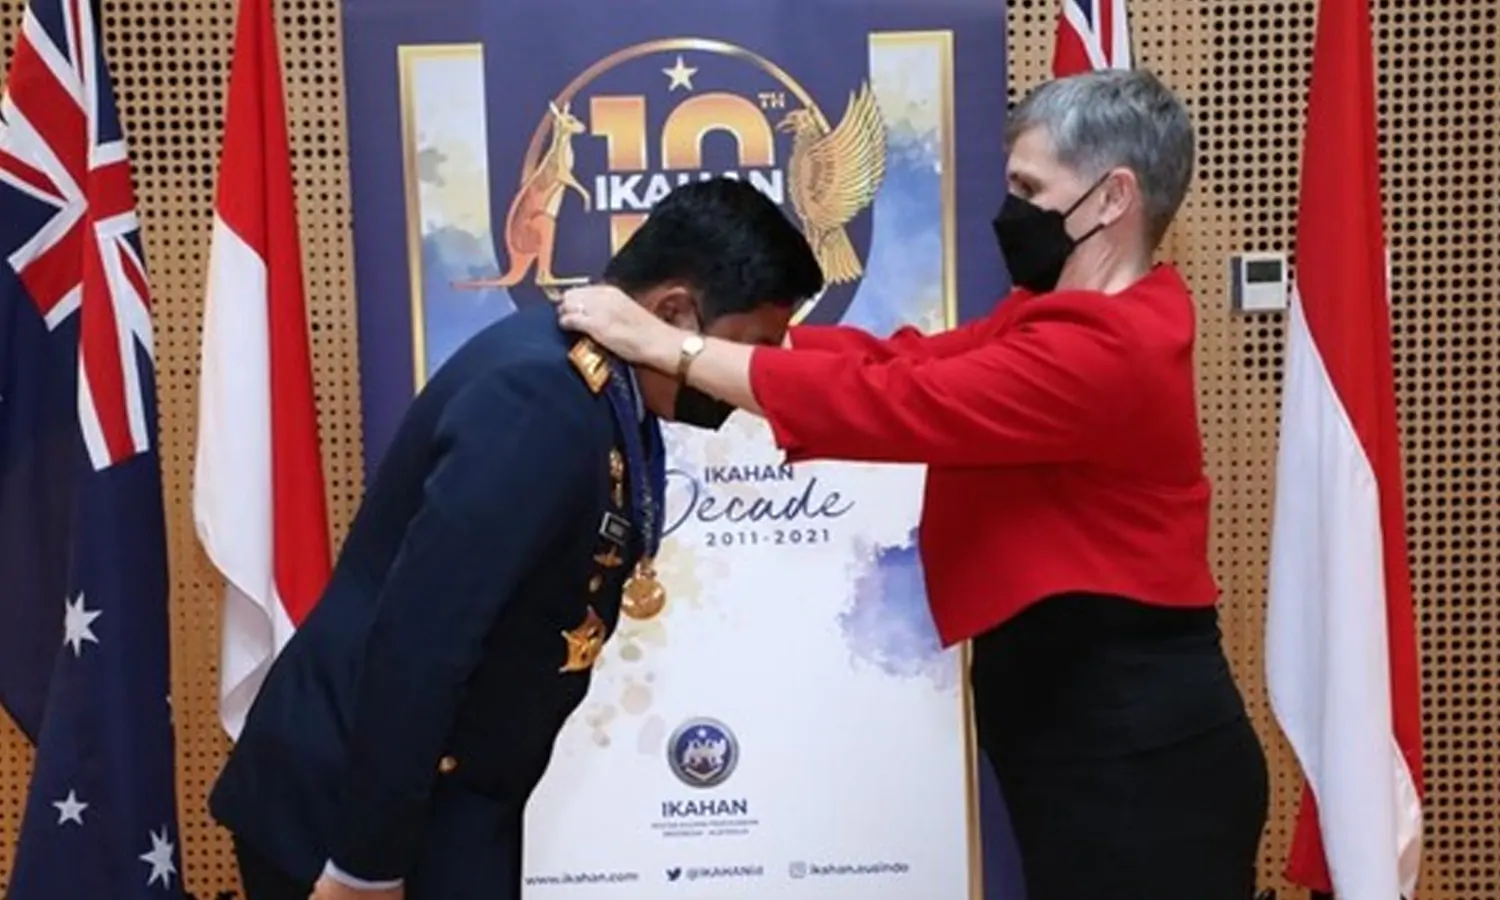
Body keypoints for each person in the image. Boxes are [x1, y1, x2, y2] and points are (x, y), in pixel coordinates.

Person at [556, 69, 1269, 900]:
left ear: (1113, 197)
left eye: (1030, 189)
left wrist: (668, 348)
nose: (1011, 211)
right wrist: (750, 343)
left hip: (1135, 748)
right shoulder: (1054, 317)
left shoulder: (1109, 348)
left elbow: (899, 404)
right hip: (1086, 730)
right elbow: (908, 363)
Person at [207, 176, 824, 900]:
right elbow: (422, 639)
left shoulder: (604, 386)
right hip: (352, 813)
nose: (743, 381)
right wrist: (364, 868)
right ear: (674, 312)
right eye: (746, 348)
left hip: (450, 804)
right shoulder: (539, 400)